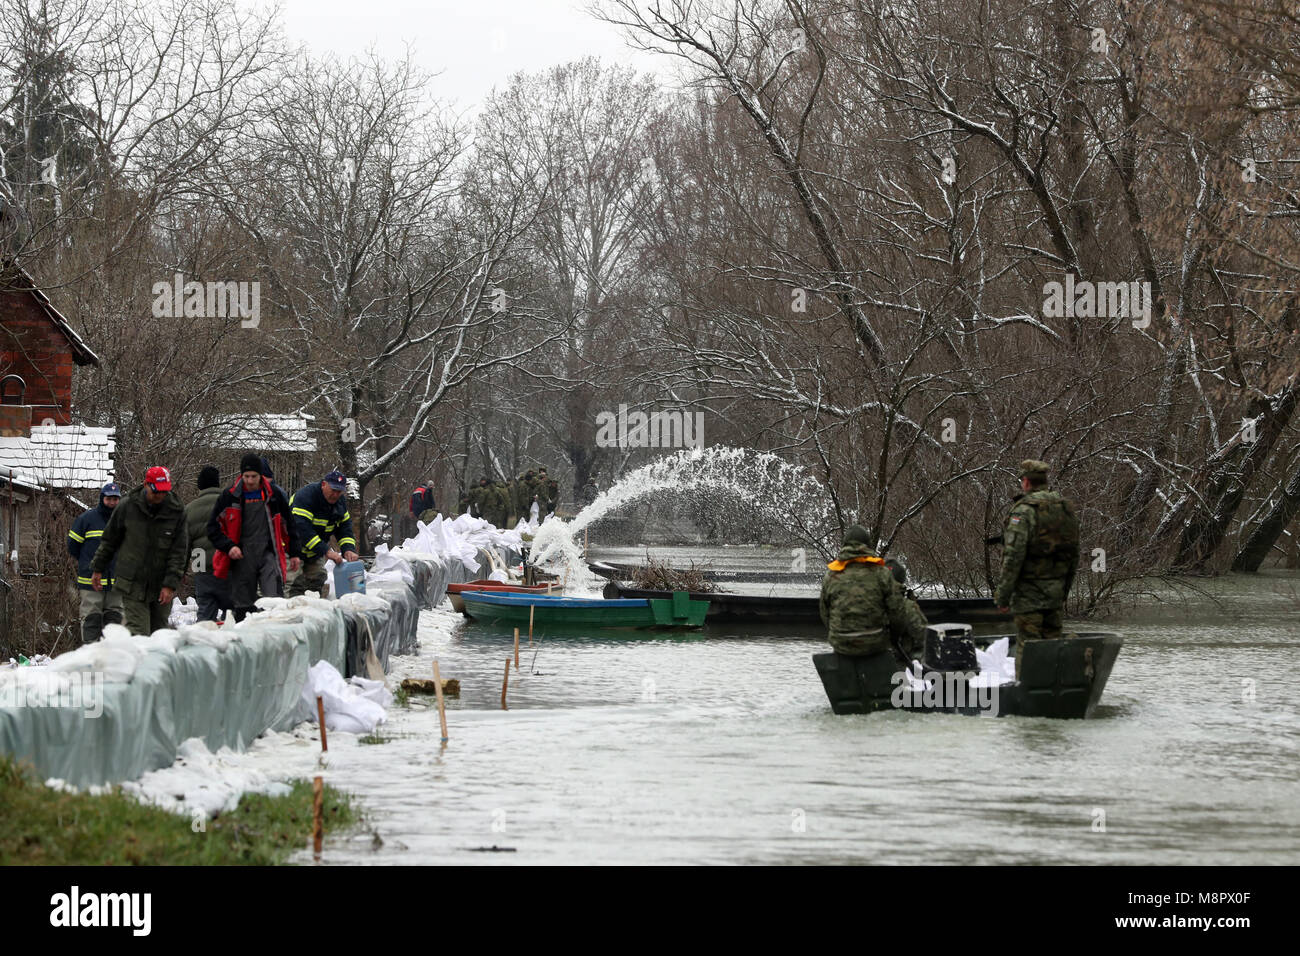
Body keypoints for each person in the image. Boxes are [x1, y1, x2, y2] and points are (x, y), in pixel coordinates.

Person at [996, 459, 1080, 677]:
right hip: (1055, 592)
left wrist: (1003, 596)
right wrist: (1064, 591)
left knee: (1029, 645)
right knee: (1052, 645)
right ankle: (1054, 694)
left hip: (1029, 595)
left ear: (1025, 482)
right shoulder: (1065, 510)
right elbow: (1074, 554)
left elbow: (1013, 556)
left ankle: (1027, 697)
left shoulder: (1023, 512)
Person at [89, 466, 188, 636]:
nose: (160, 496)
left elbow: (179, 552)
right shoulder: (127, 507)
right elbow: (109, 540)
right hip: (132, 583)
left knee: (160, 636)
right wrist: (98, 568)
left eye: (164, 492)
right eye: (156, 492)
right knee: (139, 634)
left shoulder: (176, 511)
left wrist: (170, 584)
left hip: (161, 583)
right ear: (146, 485)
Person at [208, 454, 300, 621]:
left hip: (268, 553)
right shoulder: (230, 496)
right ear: (241, 475)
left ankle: (274, 638)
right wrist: (229, 547)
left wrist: (294, 552)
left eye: (254, 477)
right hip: (241, 556)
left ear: (261, 476)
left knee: (274, 601)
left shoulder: (274, 496)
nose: (250, 481)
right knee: (243, 605)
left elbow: (289, 525)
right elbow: (213, 528)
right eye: (246, 476)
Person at [819, 525, 914, 664]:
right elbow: (896, 612)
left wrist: (839, 633)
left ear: (844, 545)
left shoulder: (831, 575)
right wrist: (894, 638)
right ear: (867, 545)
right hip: (874, 644)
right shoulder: (881, 573)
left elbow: (824, 612)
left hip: (841, 645)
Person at [68, 482, 124, 642]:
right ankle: (91, 654)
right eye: (109, 499)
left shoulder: (124, 520)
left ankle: (112, 655)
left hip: (116, 581)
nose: (112, 502)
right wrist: (87, 563)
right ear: (102, 498)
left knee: (115, 618)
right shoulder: (86, 519)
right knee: (91, 618)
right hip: (90, 581)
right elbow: (72, 546)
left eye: (115, 499)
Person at [288, 469, 358, 597]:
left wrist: (348, 549)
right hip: (292, 550)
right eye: (333, 490)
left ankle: (315, 612)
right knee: (293, 584)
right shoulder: (306, 497)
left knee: (318, 579)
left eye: (339, 491)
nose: (336, 495)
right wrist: (326, 551)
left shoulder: (340, 503)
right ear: (323, 485)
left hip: (315, 551)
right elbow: (302, 530)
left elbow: (345, 528)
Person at [185, 465, 230, 622]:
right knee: (232, 614)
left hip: (202, 566)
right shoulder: (230, 505)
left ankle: (202, 642)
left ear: (200, 485)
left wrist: (181, 571)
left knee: (205, 613)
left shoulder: (189, 510)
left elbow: (183, 545)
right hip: (228, 565)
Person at [884, 557, 929, 660]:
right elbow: (924, 636)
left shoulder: (868, 601)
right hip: (897, 663)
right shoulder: (905, 606)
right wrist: (913, 606)